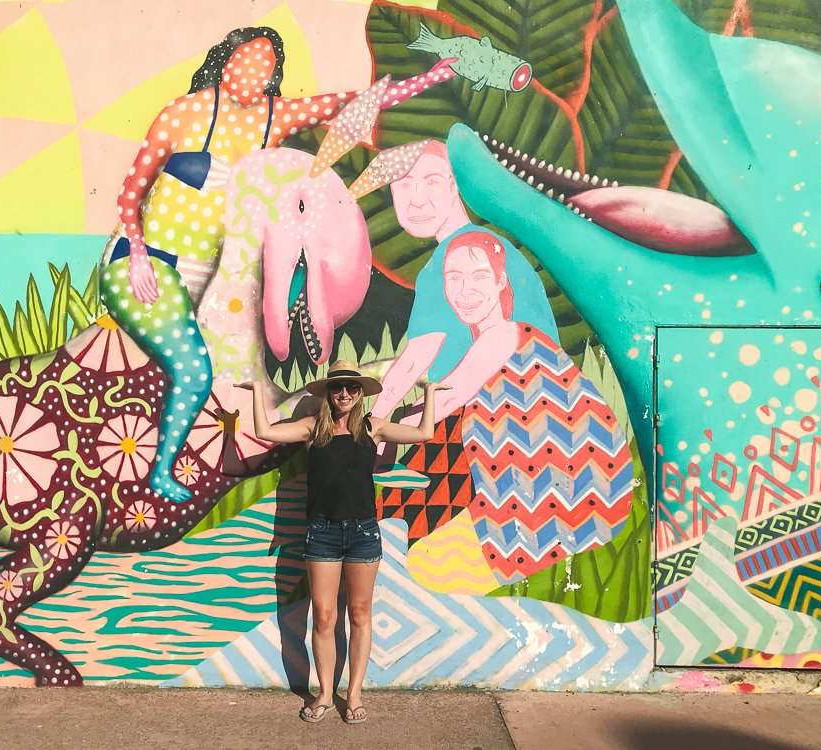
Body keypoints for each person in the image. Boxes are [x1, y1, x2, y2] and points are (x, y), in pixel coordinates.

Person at [102, 27, 457, 502]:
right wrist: (139, 255)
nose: (253, 71)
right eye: (245, 60)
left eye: (265, 65)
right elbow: (132, 191)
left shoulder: (274, 118)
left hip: (210, 276)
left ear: (273, 76)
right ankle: (160, 471)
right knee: (191, 370)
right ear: (224, 62)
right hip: (149, 265)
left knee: (230, 370)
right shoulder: (184, 114)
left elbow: (352, 104)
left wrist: (431, 79)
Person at [236, 361, 447, 724]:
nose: (344, 393)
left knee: (360, 614)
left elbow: (424, 433)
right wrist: (257, 393)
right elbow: (266, 431)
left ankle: (353, 695)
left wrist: (428, 395)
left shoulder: (372, 428)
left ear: (361, 393)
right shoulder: (311, 429)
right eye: (338, 388)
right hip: (322, 533)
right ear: (329, 392)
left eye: (352, 387)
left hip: (363, 533)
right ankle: (323, 693)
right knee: (323, 616)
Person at [424, 231, 633, 582]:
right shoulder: (505, 337)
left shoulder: (502, 336)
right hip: (546, 510)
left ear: (500, 280)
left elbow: (443, 400)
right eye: (454, 278)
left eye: (478, 276)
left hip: (556, 510)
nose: (465, 290)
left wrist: (379, 423)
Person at [371, 140, 559, 420]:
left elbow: (415, 360)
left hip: (510, 412)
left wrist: (372, 424)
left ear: (454, 184)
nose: (417, 199)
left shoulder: (458, 257)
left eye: (432, 181)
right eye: (405, 184)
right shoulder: (486, 246)